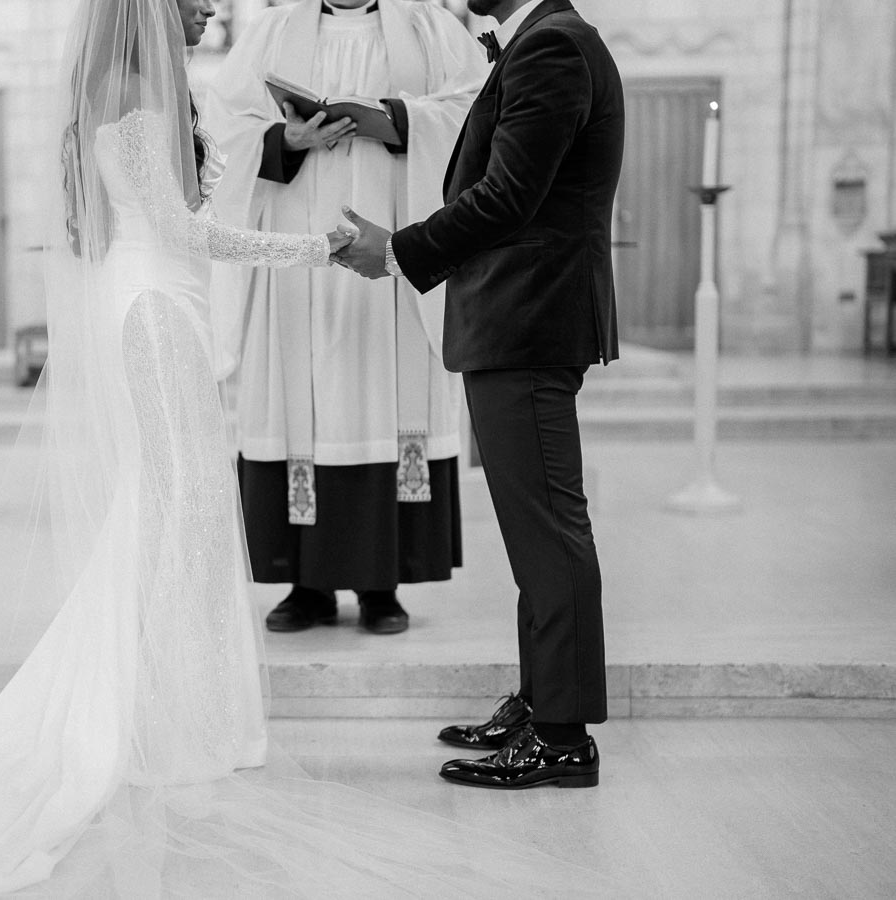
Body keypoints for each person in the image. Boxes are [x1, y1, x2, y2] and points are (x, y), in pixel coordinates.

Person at [0, 3, 621, 896]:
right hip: (158, 310)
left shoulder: (149, 82)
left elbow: (192, 213)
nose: (210, 11)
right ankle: (150, 721)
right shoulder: (138, 90)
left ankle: (165, 714)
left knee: (172, 513)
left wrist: (350, 234)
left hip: (174, 307)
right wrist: (319, 247)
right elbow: (185, 231)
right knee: (175, 514)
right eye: (195, 0)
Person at [334, 0, 624, 790]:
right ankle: (542, 703)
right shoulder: (544, 41)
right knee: (536, 534)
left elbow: (507, 197)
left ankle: (562, 737)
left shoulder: (554, 48)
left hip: (528, 319)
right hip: (519, 318)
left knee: (550, 531)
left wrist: (397, 250)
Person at [206, 0, 487, 635]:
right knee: (302, 407)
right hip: (295, 265)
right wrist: (285, 140)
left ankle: (381, 584)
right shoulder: (275, 31)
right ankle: (306, 584)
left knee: (385, 399)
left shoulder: (427, 27)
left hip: (394, 260)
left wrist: (399, 121)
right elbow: (222, 131)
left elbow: (478, 111)